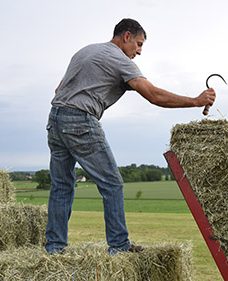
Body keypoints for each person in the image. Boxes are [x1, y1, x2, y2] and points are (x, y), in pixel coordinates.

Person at [45, 18, 216, 255]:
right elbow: (154, 95)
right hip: (80, 120)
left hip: (55, 120)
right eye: (138, 44)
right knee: (112, 184)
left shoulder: (85, 52)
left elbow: (59, 89)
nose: (139, 51)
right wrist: (196, 101)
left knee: (62, 186)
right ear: (126, 36)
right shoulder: (118, 58)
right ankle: (119, 245)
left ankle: (54, 248)